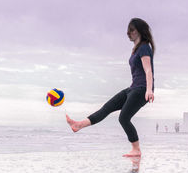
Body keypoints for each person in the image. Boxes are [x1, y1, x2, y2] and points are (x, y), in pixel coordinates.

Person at [66, 18, 155, 157]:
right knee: (106, 108)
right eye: (128, 30)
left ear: (140, 31)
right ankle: (79, 125)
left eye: (132, 30)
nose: (128, 33)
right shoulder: (137, 49)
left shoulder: (144, 47)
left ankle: (136, 149)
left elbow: (148, 70)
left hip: (142, 89)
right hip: (133, 88)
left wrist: (149, 90)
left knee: (124, 118)